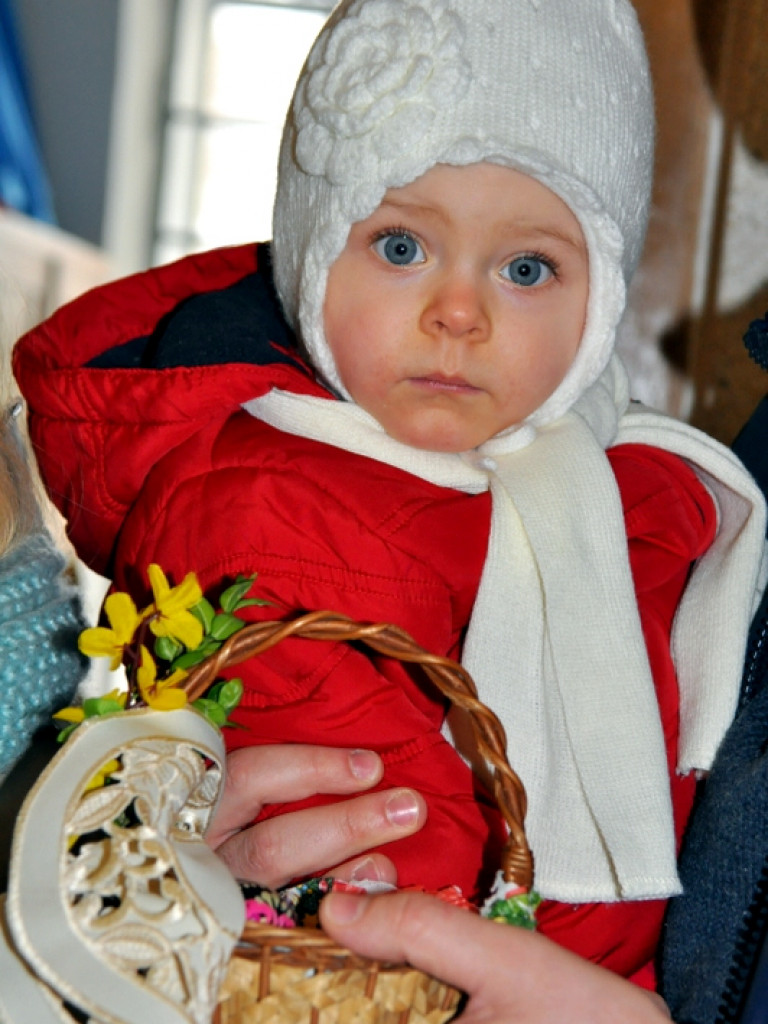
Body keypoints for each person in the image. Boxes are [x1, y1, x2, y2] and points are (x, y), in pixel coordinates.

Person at [12, 0, 766, 1001]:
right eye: (403, 247)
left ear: (602, 302)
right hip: (382, 978)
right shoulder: (263, 495)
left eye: (528, 267)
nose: (459, 311)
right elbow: (362, 809)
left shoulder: (644, 491)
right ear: (316, 252)